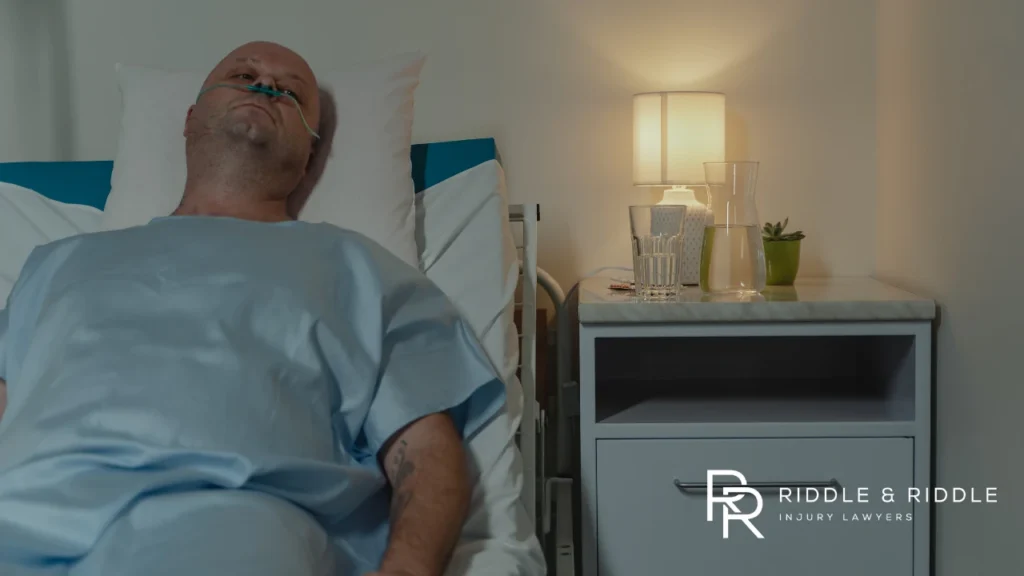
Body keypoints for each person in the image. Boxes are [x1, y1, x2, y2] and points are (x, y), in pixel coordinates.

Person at [0, 42, 506, 576]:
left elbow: (425, 451)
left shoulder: (361, 270)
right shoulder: (59, 264)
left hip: (232, 524)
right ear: (190, 119)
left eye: (291, 93)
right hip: (26, 521)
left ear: (310, 153)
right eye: (243, 74)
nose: (265, 86)